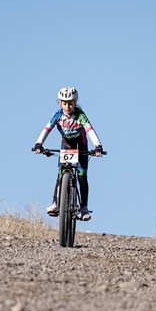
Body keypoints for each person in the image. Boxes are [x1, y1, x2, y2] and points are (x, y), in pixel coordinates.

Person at [31, 86, 105, 220]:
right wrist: (39, 144)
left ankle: (84, 208)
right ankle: (55, 203)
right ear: (60, 103)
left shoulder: (80, 115)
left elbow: (90, 130)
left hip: (81, 146)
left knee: (82, 176)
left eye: (70, 103)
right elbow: (47, 129)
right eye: (64, 103)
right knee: (61, 173)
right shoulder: (58, 115)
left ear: (75, 103)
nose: (68, 107)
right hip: (66, 145)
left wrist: (98, 146)